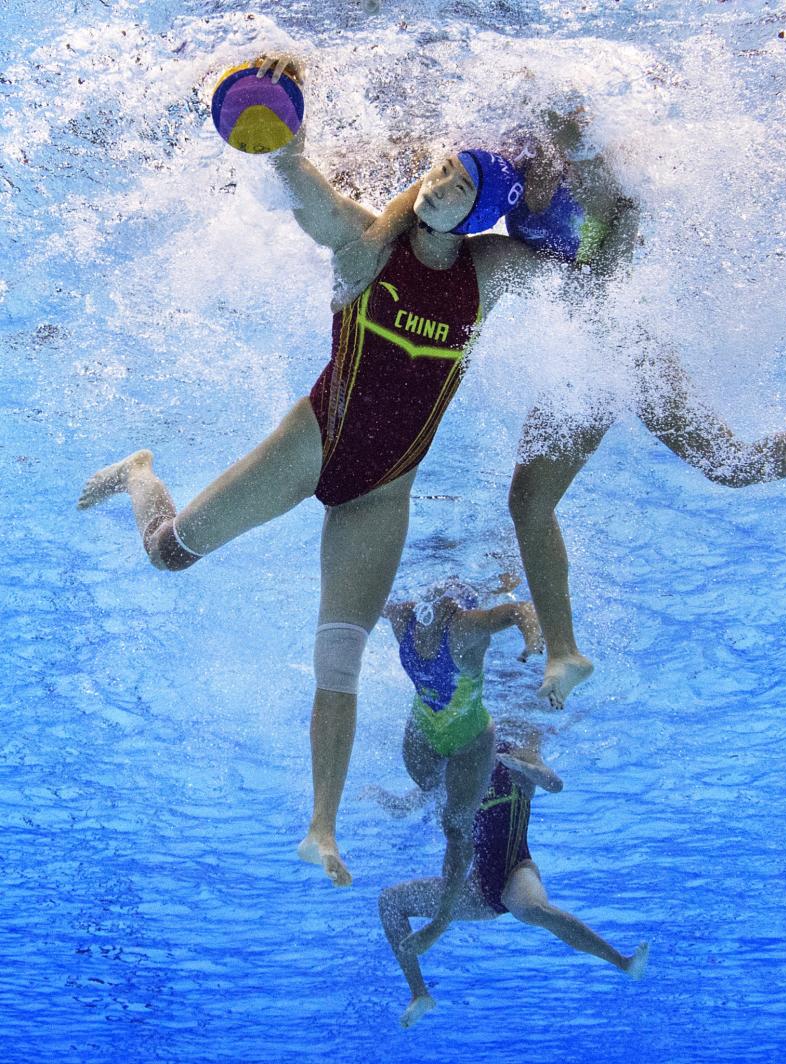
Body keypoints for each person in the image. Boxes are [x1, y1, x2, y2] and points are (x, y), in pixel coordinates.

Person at [76, 55, 552, 889]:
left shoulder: (490, 276)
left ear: (483, 213)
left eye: (460, 184)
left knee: (339, 656)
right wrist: (287, 150)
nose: (438, 187)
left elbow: (567, 262)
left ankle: (322, 826)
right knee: (168, 552)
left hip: (382, 495)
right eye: (436, 172)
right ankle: (138, 472)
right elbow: (320, 207)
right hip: (311, 445)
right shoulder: (370, 252)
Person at [334, 88, 786, 709]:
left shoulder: (589, 176)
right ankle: (565, 652)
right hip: (588, 352)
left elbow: (624, 219)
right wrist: (374, 240)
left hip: (619, 346)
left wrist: (581, 154)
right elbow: (427, 193)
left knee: (717, 462)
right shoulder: (508, 171)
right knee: (557, 495)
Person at [372, 728, 648, 1029]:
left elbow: (555, 784)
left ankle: (623, 962)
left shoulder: (512, 755)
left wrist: (530, 770)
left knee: (531, 909)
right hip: (477, 889)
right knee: (390, 901)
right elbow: (404, 807)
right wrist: (379, 795)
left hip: (518, 871)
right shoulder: (455, 771)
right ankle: (419, 994)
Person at [379, 577, 542, 960]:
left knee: (455, 826)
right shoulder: (403, 617)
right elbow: (366, 600)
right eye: (434, 593)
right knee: (431, 790)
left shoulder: (464, 628)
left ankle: (440, 921)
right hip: (424, 728)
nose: (439, 599)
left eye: (450, 597)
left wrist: (533, 640)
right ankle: (434, 803)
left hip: (471, 740)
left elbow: (521, 611)